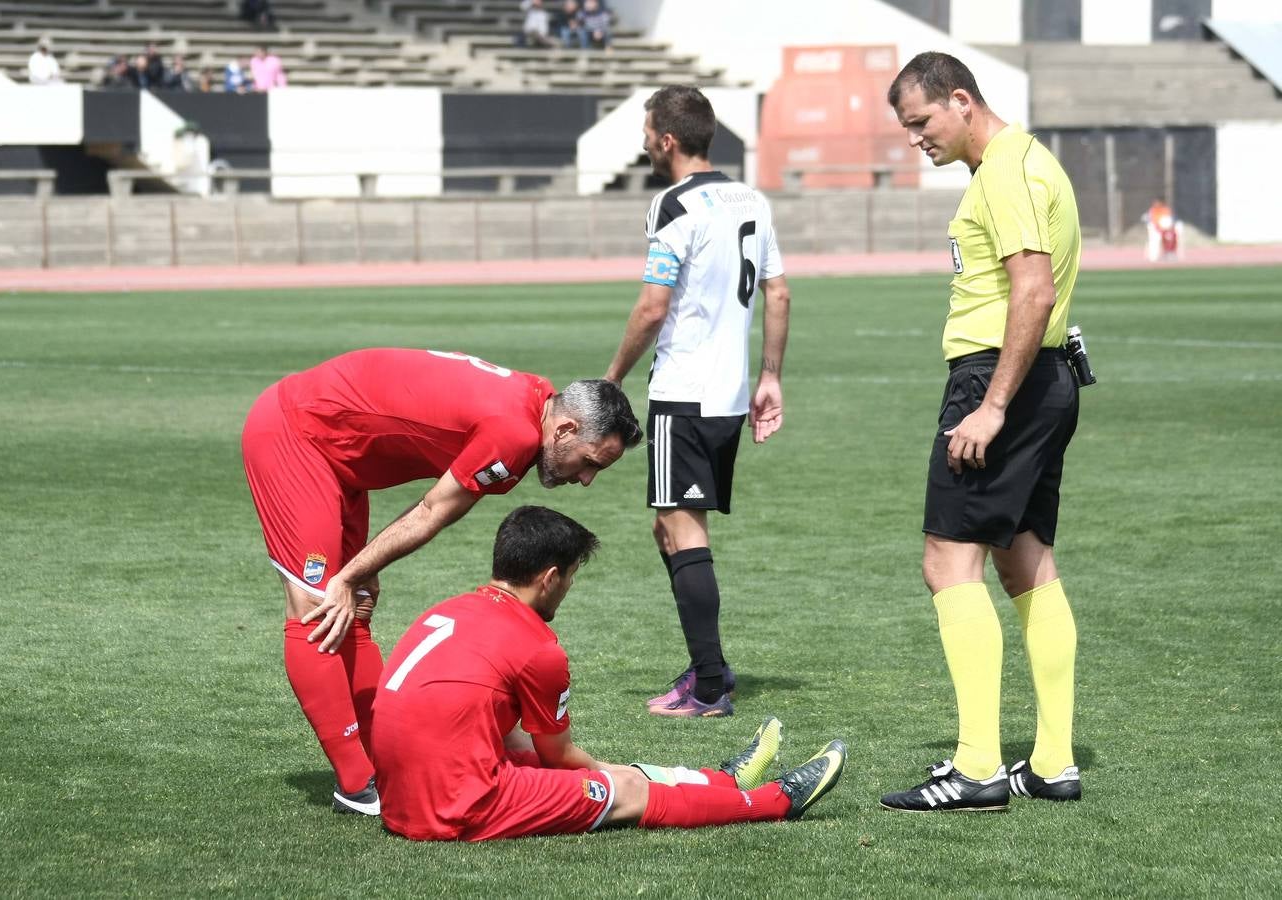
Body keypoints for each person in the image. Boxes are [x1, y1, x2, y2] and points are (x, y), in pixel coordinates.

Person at [241, 348, 643, 816]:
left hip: (340, 457)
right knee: (315, 604)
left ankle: (378, 761)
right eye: (590, 461)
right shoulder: (514, 433)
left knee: (356, 607)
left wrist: (362, 572)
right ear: (566, 429)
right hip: (297, 433)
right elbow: (433, 510)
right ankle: (356, 785)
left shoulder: (536, 397)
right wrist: (350, 575)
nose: (588, 478)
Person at [370, 504, 848, 840]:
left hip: (401, 799)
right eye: (572, 576)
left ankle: (718, 782)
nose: (569, 588)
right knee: (628, 791)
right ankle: (776, 801)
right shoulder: (538, 647)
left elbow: (512, 740)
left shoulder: (449, 610)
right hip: (456, 809)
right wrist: (615, 777)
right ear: (550, 578)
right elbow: (559, 757)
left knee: (564, 768)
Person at [879, 52, 1084, 812]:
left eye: (921, 122)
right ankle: (1053, 761)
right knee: (1026, 559)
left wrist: (993, 405)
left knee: (947, 562)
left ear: (961, 100)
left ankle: (977, 769)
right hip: (1046, 376)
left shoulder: (1001, 170)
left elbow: (1032, 286)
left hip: (1000, 380)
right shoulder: (1031, 160)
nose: (916, 140)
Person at [604, 85, 791, 718]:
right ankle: (704, 665)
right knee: (672, 526)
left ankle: (710, 684)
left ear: (666, 140)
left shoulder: (672, 205)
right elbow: (780, 293)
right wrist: (771, 376)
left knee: (681, 531)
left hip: (682, 392)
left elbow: (653, 307)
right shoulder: (750, 198)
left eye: (646, 132)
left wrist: (612, 378)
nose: (644, 143)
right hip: (731, 394)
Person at [1144, 198, 1183, 262]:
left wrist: (1169, 227)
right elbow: (1151, 221)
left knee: (1171, 236)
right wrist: (1159, 227)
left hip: (1167, 229)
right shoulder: (1153, 210)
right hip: (1156, 229)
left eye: (1157, 202)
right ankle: (1154, 256)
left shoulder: (1166, 210)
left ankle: (1170, 253)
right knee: (1156, 238)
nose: (1156, 204)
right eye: (1155, 202)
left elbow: (1171, 219)